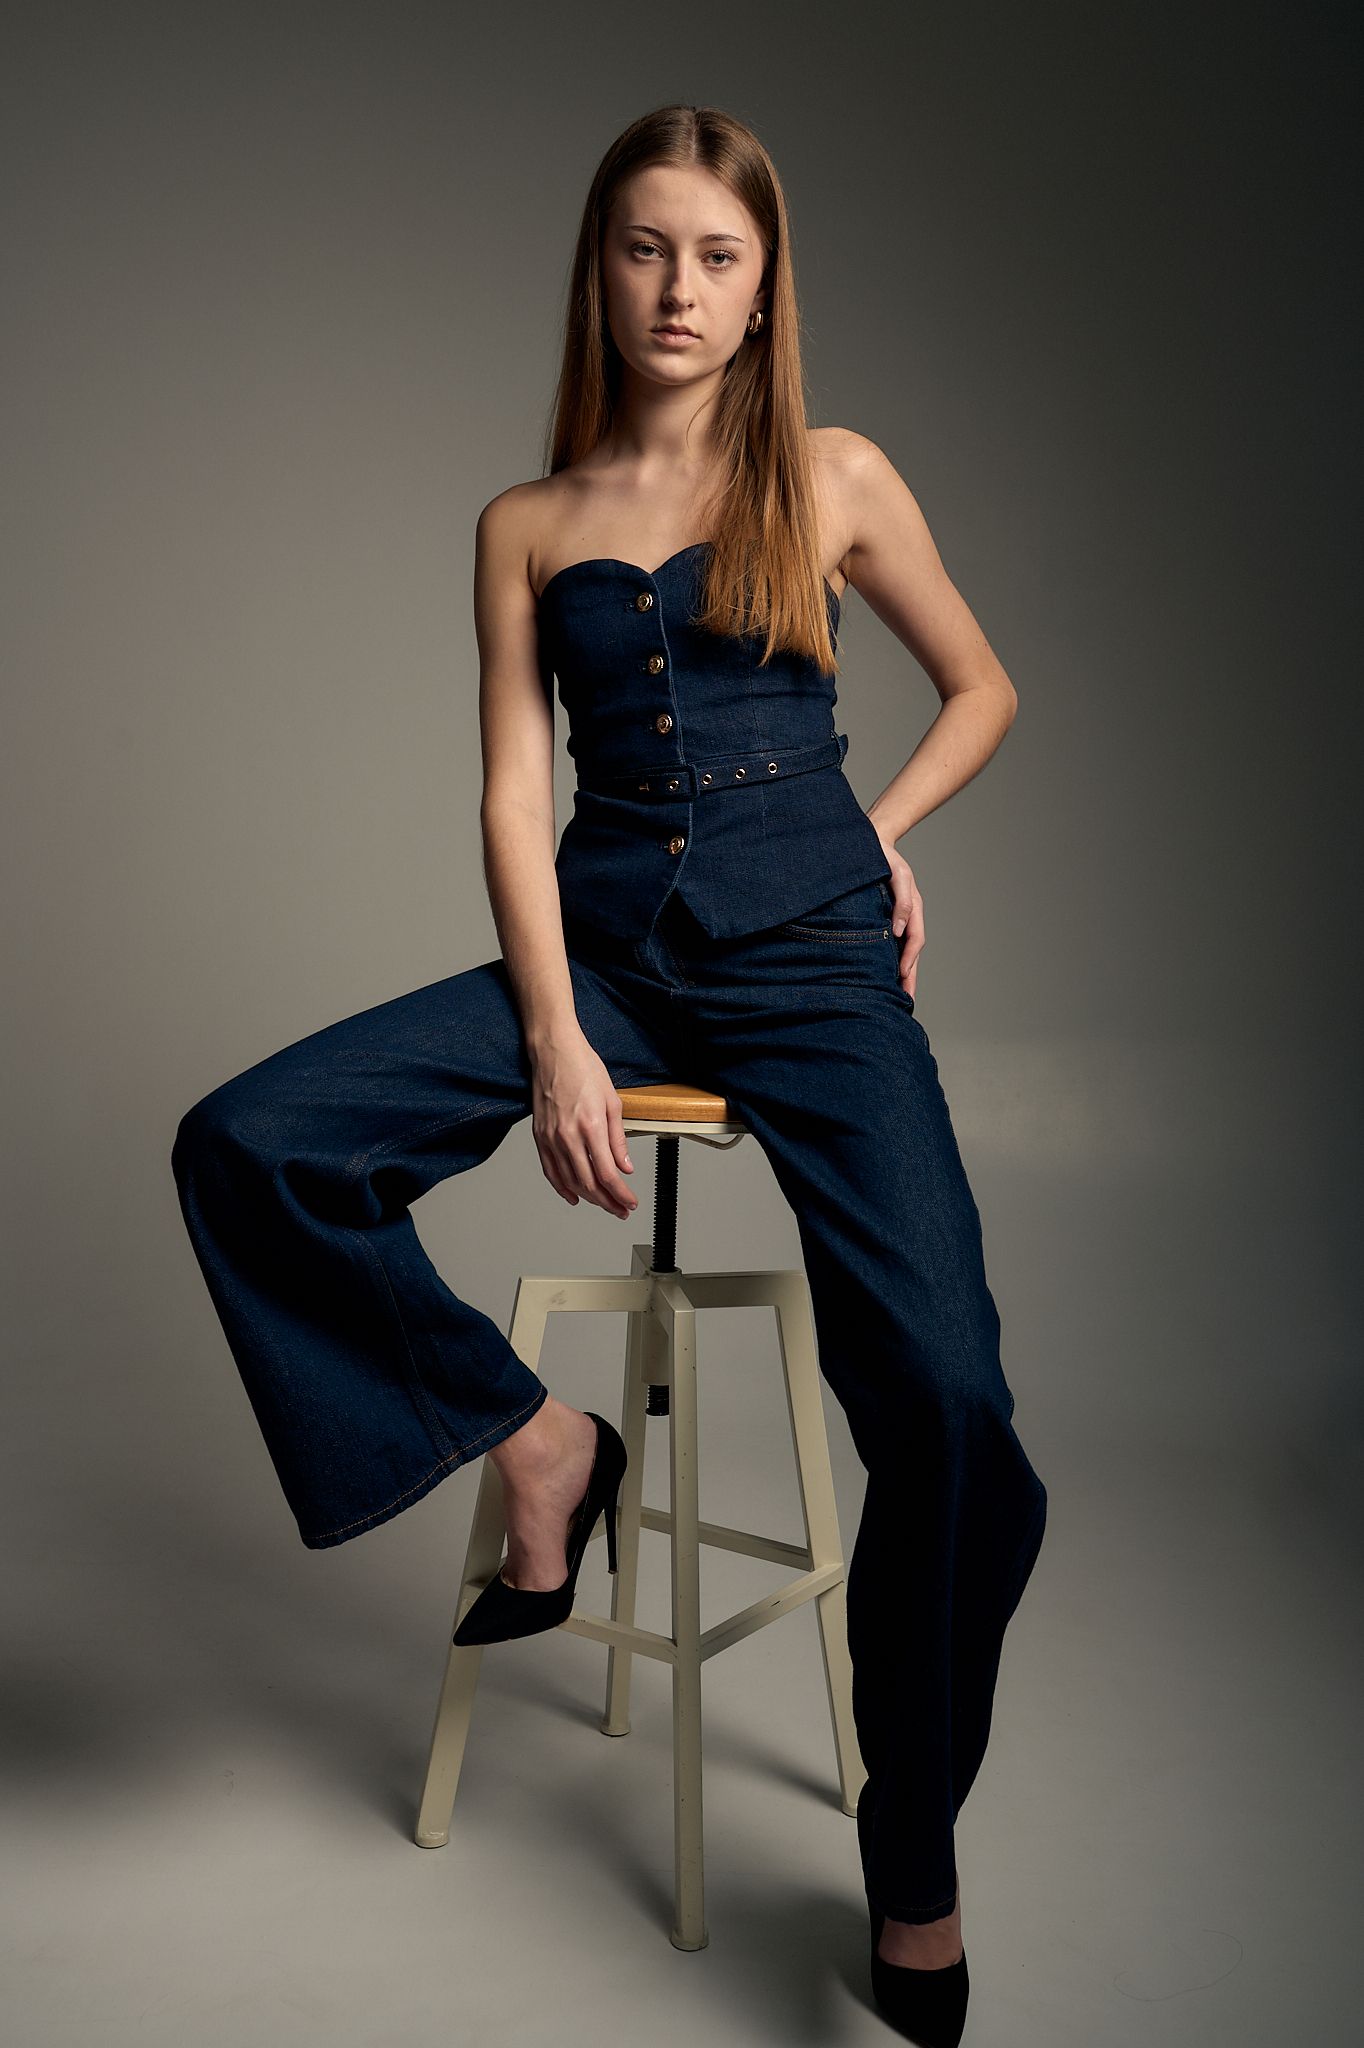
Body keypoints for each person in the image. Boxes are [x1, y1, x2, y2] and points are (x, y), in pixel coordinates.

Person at [171, 103, 1048, 2048]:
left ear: (765, 288)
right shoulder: (526, 521)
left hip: (817, 967)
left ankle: (913, 1845)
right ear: (601, 267)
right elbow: (510, 789)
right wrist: (557, 1027)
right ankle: (538, 1443)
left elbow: (982, 683)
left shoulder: (834, 472)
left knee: (952, 1399)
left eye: (717, 255)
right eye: (646, 248)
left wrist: (879, 832)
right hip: (611, 966)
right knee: (250, 1143)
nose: (678, 287)